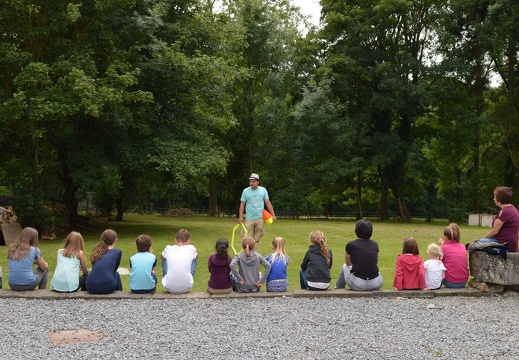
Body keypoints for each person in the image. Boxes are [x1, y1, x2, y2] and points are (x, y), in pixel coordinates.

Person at [335, 220, 383, 291]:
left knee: (345, 266)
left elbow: (348, 263)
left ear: (356, 231)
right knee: (374, 267)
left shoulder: (351, 244)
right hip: (376, 283)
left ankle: (338, 288)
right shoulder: (375, 244)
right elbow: (375, 261)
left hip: (358, 283)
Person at [477, 186, 519, 252]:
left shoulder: (505, 212)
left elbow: (494, 232)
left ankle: (499, 250)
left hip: (503, 243)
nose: (494, 199)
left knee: (474, 244)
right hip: (511, 244)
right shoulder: (513, 209)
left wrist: (481, 239)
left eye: (495, 197)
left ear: (499, 199)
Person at [238, 173, 276, 243]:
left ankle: (254, 253)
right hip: (249, 218)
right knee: (246, 238)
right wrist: (240, 217)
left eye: (253, 181)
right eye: (250, 181)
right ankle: (245, 253)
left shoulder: (263, 190)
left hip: (260, 218)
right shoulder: (245, 191)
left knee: (257, 238)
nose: (251, 183)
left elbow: (267, 203)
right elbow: (242, 204)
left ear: (258, 182)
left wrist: (273, 214)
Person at [86, 229, 123, 294]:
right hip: (107, 287)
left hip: (90, 287)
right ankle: (120, 293)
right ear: (115, 241)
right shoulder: (117, 252)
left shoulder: (97, 252)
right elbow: (114, 269)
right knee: (116, 274)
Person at [162, 229, 198, 294]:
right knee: (194, 258)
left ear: (175, 241)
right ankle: (186, 279)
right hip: (186, 287)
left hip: (169, 286)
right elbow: (196, 257)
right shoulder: (191, 248)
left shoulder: (168, 248)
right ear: (188, 241)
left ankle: (169, 279)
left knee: (164, 257)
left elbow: (161, 256)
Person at [439, 223, 468, 288]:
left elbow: (437, 262)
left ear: (445, 237)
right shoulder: (463, 246)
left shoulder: (443, 248)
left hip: (450, 282)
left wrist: (442, 246)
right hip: (463, 282)